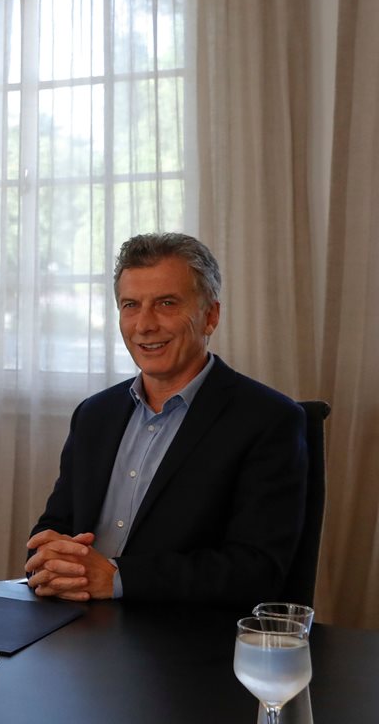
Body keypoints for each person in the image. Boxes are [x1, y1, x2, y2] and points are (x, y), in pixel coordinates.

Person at [26, 233, 307, 605]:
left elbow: (257, 570)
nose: (144, 324)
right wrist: (48, 557)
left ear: (211, 316)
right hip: (74, 625)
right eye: (130, 305)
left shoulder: (269, 421)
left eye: (166, 303)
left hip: (182, 641)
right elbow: (56, 527)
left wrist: (118, 579)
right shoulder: (95, 414)